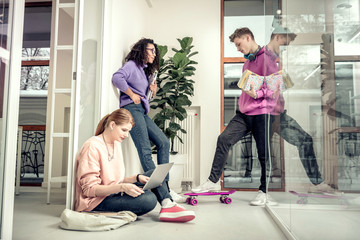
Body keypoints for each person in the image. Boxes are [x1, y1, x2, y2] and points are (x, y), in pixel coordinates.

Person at [192, 28, 279, 206]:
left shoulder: (267, 58)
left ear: (248, 38)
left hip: (262, 114)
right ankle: (214, 182)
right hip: (244, 113)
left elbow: (275, 88)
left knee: (263, 154)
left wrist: (258, 94)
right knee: (224, 139)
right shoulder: (246, 64)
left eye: (239, 44)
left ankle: (264, 192)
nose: (238, 49)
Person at [74, 108, 195, 223]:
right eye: (124, 130)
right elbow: (89, 190)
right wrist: (123, 188)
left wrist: (136, 178)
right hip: (96, 202)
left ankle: (167, 203)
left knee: (155, 174)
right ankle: (167, 204)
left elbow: (114, 181)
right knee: (149, 199)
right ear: (112, 125)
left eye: (128, 131)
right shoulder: (92, 146)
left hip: (112, 192)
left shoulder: (116, 144)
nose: (127, 135)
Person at [112, 38, 185, 202]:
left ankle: (165, 188)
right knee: (145, 150)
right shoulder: (131, 65)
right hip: (131, 109)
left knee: (164, 143)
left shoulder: (145, 72)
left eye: (154, 51)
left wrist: (152, 91)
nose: (154, 53)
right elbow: (117, 78)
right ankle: (164, 198)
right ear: (142, 50)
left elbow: (145, 100)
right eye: (151, 50)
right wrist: (131, 94)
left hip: (141, 111)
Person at [266, 26, 335, 193]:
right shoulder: (263, 57)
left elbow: (279, 85)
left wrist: (286, 81)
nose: (286, 47)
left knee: (305, 140)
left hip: (278, 113)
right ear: (277, 37)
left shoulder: (276, 59)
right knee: (266, 153)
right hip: (266, 115)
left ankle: (316, 183)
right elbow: (260, 85)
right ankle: (264, 190)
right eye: (285, 43)